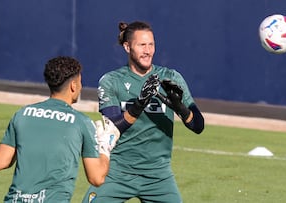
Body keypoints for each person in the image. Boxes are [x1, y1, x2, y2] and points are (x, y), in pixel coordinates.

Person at [83, 21, 204, 202]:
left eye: (151, 44)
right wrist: (139, 104)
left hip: (158, 175)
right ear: (127, 47)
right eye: (142, 45)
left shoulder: (170, 78)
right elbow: (113, 127)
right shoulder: (111, 81)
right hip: (117, 171)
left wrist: (180, 108)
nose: (148, 51)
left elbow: (198, 125)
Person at [0, 56, 120, 203]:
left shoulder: (22, 114)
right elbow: (97, 177)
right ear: (73, 85)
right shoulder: (82, 122)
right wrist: (105, 147)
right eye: (80, 82)